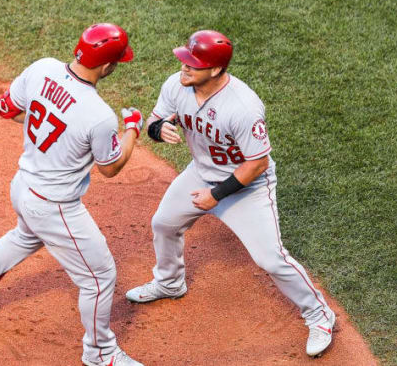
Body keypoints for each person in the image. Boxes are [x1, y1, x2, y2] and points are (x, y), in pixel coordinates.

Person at [125, 30, 336, 357]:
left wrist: (216, 195)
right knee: (164, 224)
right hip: (200, 173)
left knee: (270, 258)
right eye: (184, 61)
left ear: (215, 70)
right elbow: (156, 118)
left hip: (247, 188)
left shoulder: (243, 106)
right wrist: (157, 129)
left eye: (192, 65)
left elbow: (257, 163)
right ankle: (169, 283)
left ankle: (319, 313)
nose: (184, 68)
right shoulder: (177, 85)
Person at [0, 23, 145, 366]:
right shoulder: (99, 116)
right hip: (54, 206)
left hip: (23, 185)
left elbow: (6, 108)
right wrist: (132, 129)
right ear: (107, 66)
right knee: (100, 277)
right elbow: (110, 168)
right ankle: (100, 353)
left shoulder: (42, 68)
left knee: (24, 236)